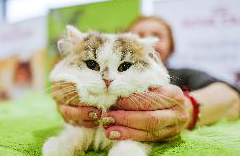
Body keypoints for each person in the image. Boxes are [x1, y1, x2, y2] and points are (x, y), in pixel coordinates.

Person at [55, 16, 240, 142]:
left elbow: (232, 97)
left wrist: (186, 109)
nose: (146, 41)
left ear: (172, 46)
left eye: (157, 36)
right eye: (138, 35)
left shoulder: (184, 74)